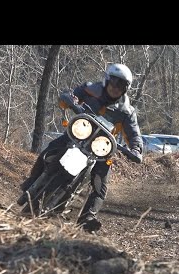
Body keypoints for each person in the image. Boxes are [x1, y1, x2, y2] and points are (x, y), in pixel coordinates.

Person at [21, 63, 143, 232]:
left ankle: (87, 219)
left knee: (100, 186)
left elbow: (134, 134)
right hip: (78, 134)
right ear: (107, 80)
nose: (116, 87)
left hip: (100, 147)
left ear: (126, 89)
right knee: (49, 150)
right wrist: (70, 100)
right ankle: (31, 181)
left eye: (122, 85)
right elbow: (71, 96)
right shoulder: (90, 89)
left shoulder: (126, 111)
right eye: (114, 82)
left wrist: (136, 149)